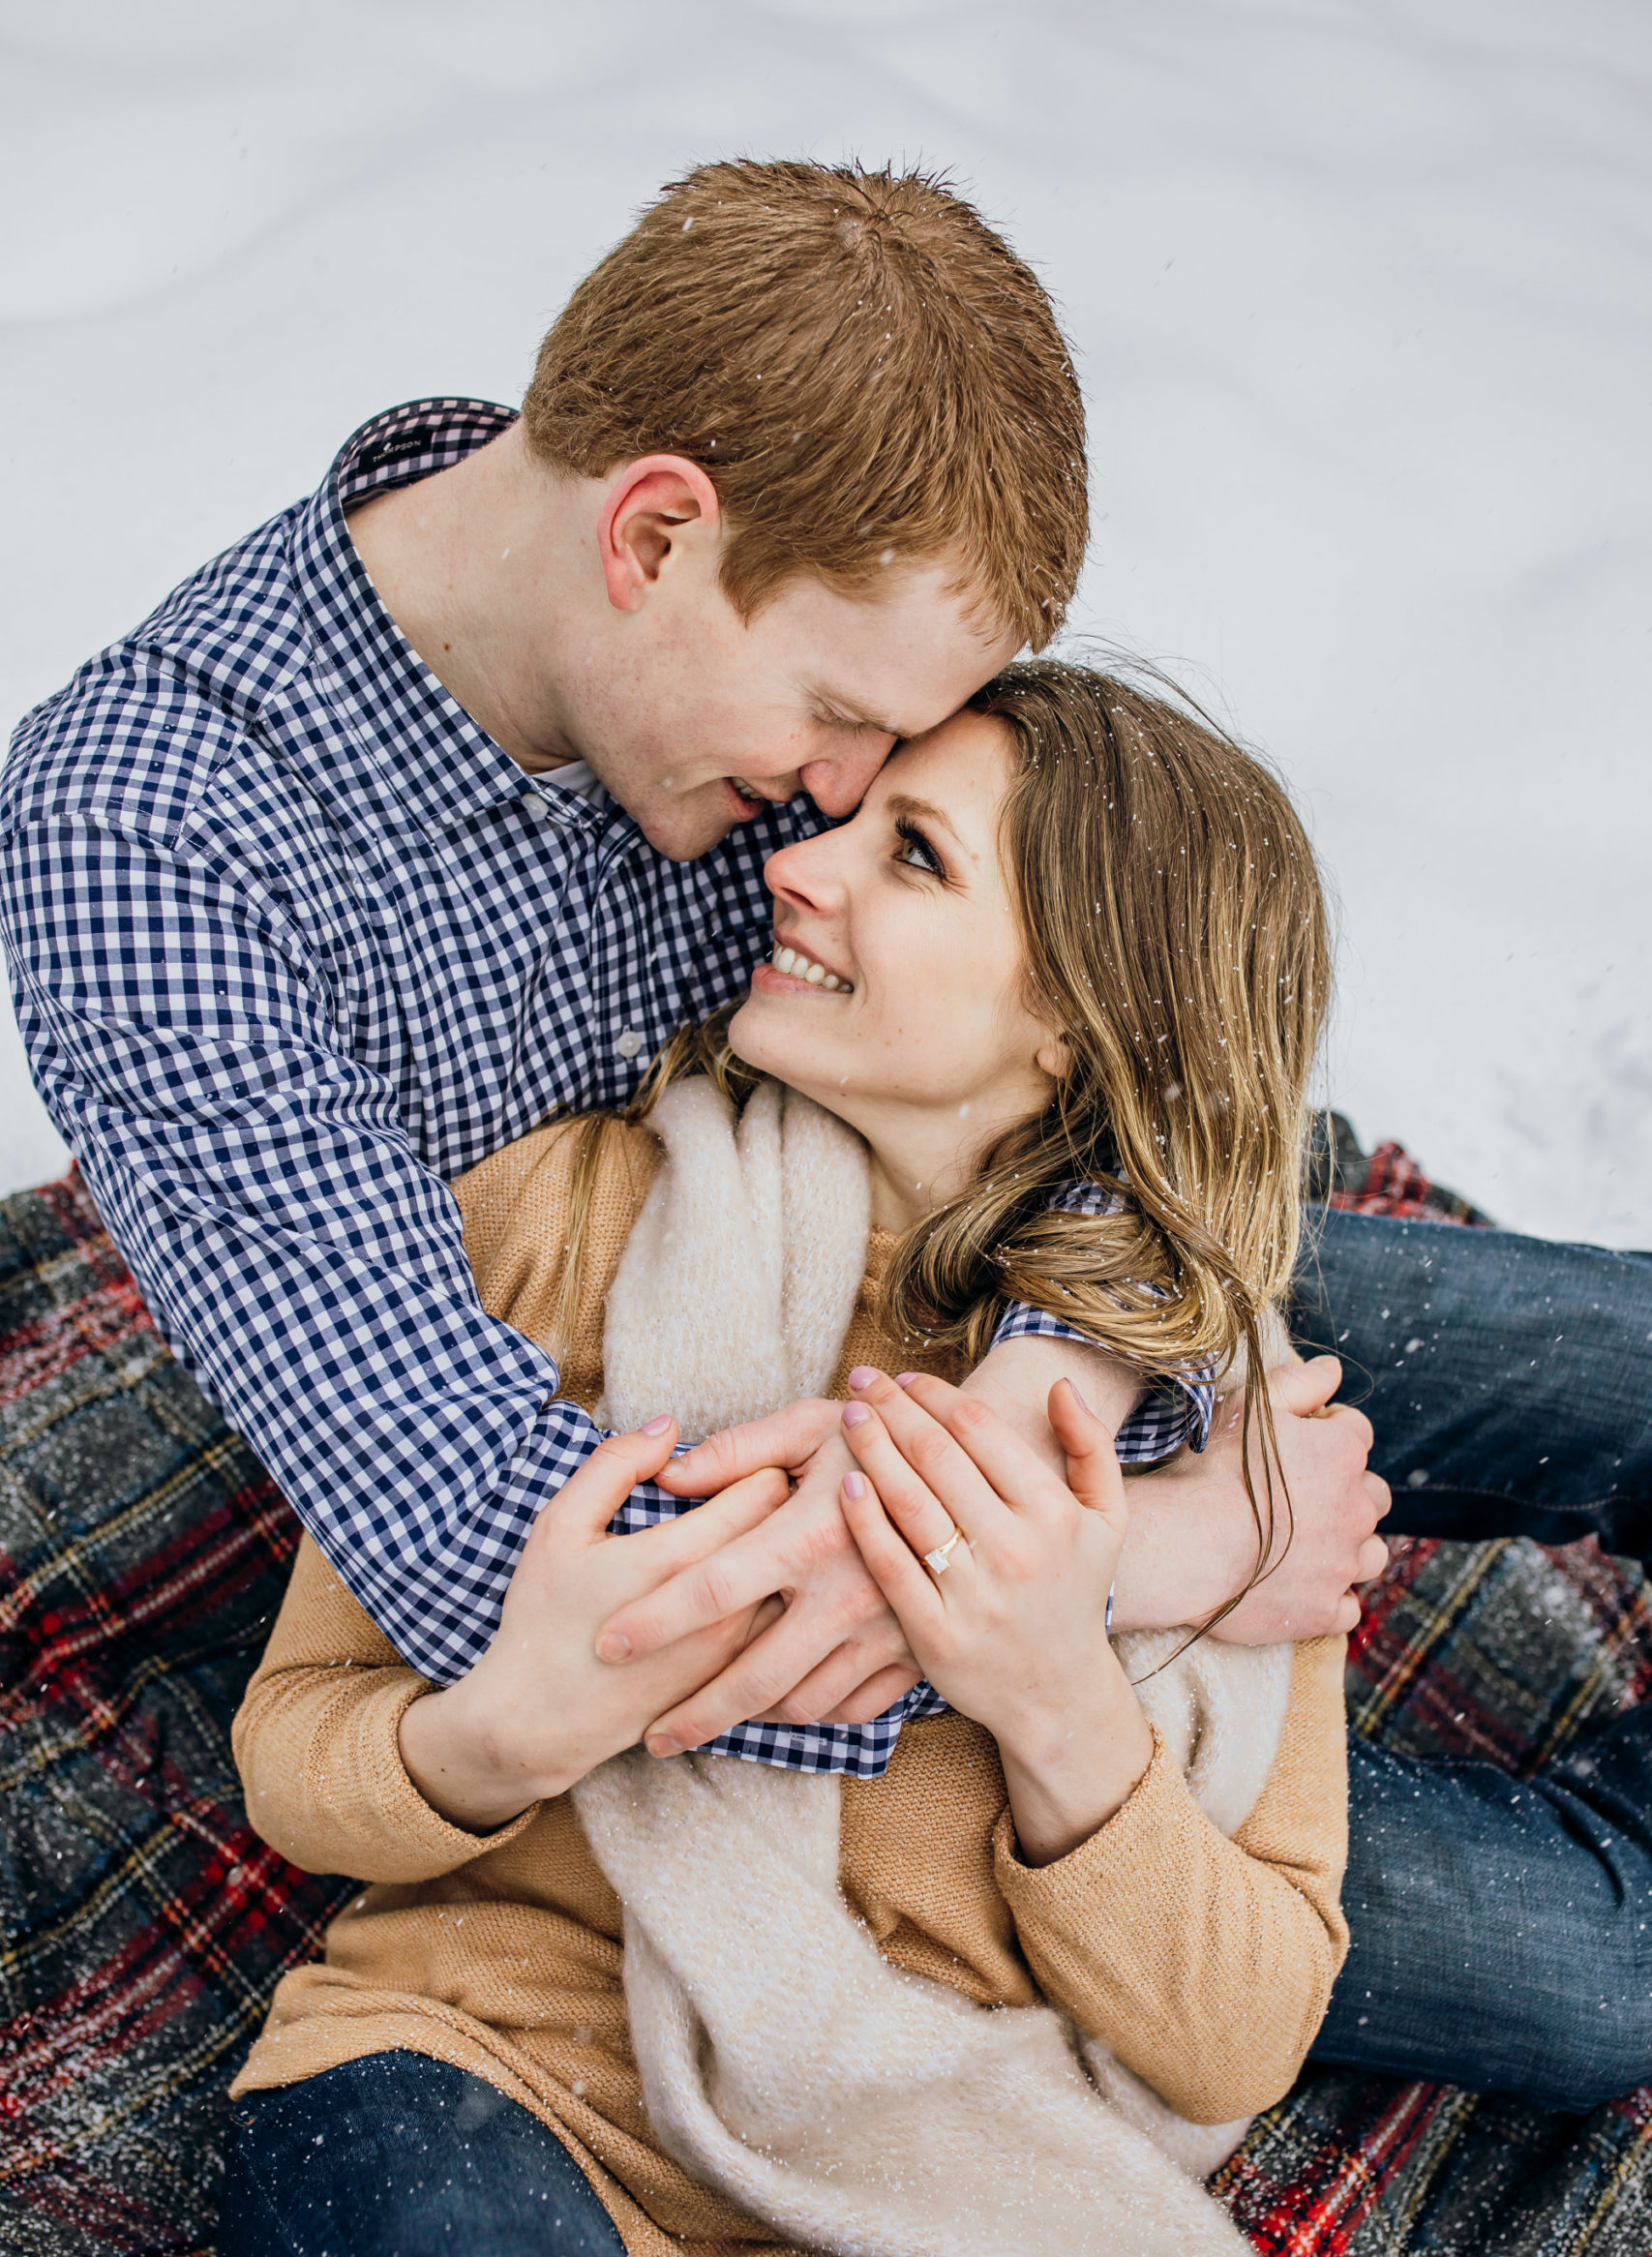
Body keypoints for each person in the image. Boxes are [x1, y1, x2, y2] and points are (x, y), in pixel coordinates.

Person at [2, 158, 1647, 2102]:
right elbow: (485, 1546)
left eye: (896, 753)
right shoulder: (158, 835)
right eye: (837, 728)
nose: (845, 796)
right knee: (1581, 1981)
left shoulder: (787, 546)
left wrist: (1063, 1352)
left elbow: (1075, 953)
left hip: (956, 1265)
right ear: (651, 536)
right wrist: (1116, 1554)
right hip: (659, 1527)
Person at [218, 668, 1357, 2257]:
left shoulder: (1207, 1427)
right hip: (476, 2073)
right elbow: (296, 1746)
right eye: (844, 820)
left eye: (908, 855)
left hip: (918, 2192)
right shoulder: (562, 1216)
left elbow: (1244, 2033)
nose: (802, 866)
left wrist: (1058, 1701)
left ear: (1073, 1019)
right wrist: (506, 1734)